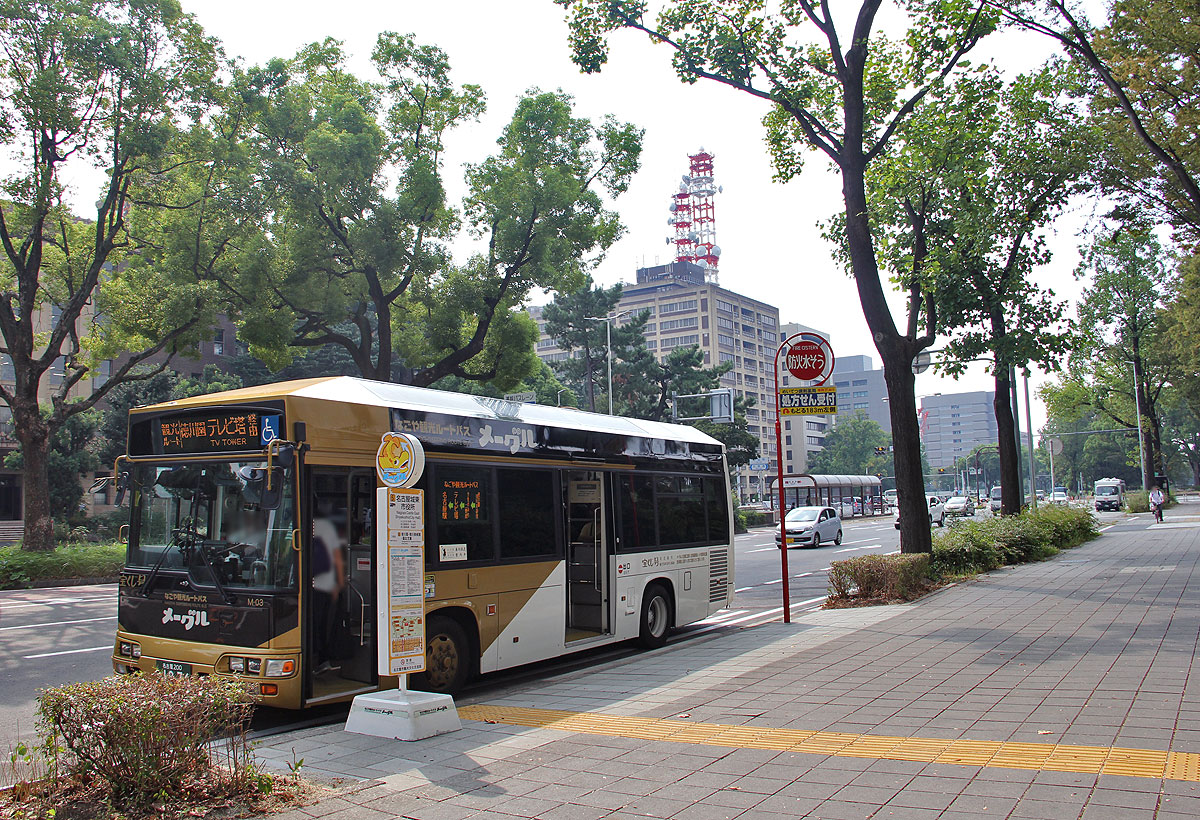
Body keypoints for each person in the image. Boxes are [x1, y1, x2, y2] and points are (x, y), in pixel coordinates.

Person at [312, 516, 346, 675]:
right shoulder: (326, 526)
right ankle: (321, 660)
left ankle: (314, 660)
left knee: (313, 624)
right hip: (325, 584)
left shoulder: (297, 521)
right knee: (323, 624)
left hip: (308, 585)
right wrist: (339, 583)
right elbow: (337, 557)